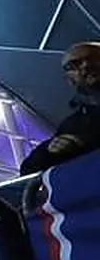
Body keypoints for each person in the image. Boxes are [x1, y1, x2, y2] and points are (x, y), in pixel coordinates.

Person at [21, 41, 100, 175]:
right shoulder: (74, 125)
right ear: (69, 80)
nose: (86, 65)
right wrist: (49, 151)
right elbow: (28, 170)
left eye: (94, 57)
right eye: (74, 64)